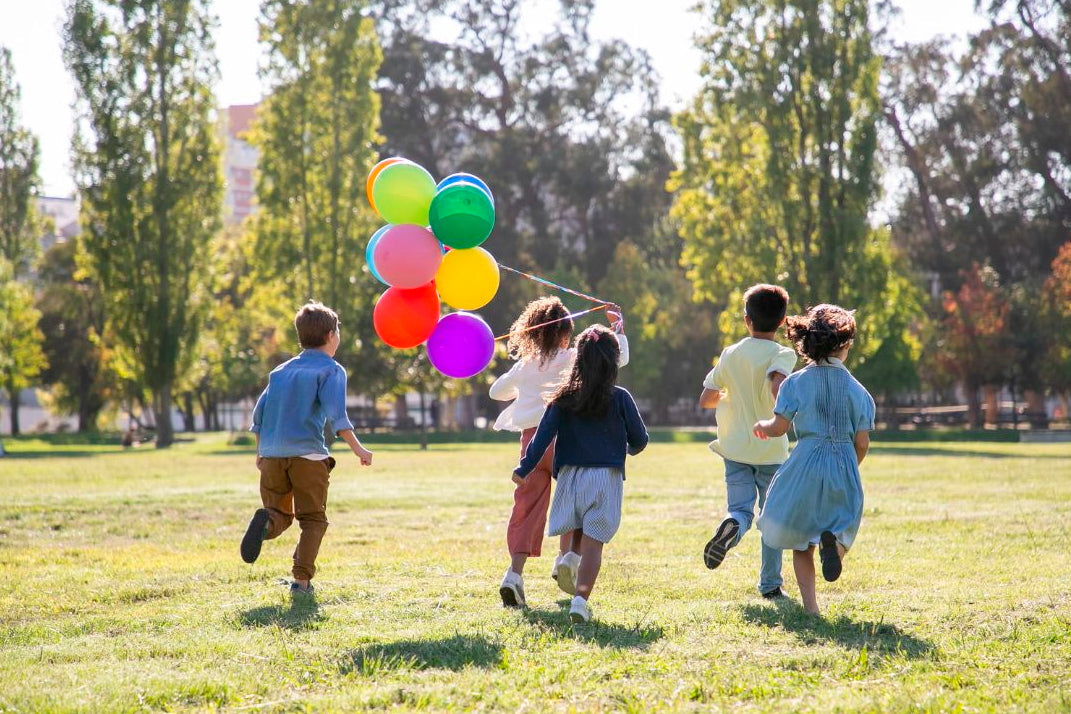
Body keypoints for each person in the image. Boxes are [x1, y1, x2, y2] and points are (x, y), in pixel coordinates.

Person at [489, 297, 628, 608]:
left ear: (533, 334)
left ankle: (514, 574)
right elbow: (618, 359)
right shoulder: (573, 358)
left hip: (531, 446)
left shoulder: (525, 366)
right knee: (575, 502)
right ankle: (566, 558)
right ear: (566, 333)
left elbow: (495, 391)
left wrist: (524, 381)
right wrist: (617, 327)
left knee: (526, 509)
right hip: (566, 442)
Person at [513, 325, 648, 623]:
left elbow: (542, 438)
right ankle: (579, 600)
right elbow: (640, 439)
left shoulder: (563, 398)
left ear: (578, 360)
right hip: (605, 478)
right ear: (613, 362)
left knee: (576, 525)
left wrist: (524, 468)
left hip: (570, 477)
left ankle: (569, 557)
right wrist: (626, 449)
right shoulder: (621, 397)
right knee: (594, 544)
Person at [240, 301, 374, 595]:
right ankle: (301, 582)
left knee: (279, 514)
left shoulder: (280, 371)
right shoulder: (331, 370)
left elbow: (258, 416)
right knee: (312, 519)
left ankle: (266, 523)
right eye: (338, 330)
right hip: (308, 457)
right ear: (330, 336)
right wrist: (359, 450)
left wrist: (260, 454)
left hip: (273, 456)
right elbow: (338, 417)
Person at [753, 304, 875, 615]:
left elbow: (779, 427)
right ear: (845, 345)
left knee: (800, 540)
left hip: (805, 463)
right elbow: (862, 442)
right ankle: (833, 546)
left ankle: (811, 609)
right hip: (843, 462)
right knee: (842, 525)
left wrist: (762, 426)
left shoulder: (794, 382)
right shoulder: (859, 392)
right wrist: (850, 465)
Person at [699, 284, 796, 600]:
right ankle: (770, 584)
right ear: (782, 322)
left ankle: (731, 526)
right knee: (771, 517)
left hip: (735, 448)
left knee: (740, 509)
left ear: (746, 320)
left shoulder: (731, 353)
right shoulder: (783, 353)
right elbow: (777, 386)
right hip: (770, 448)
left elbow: (707, 398)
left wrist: (733, 395)